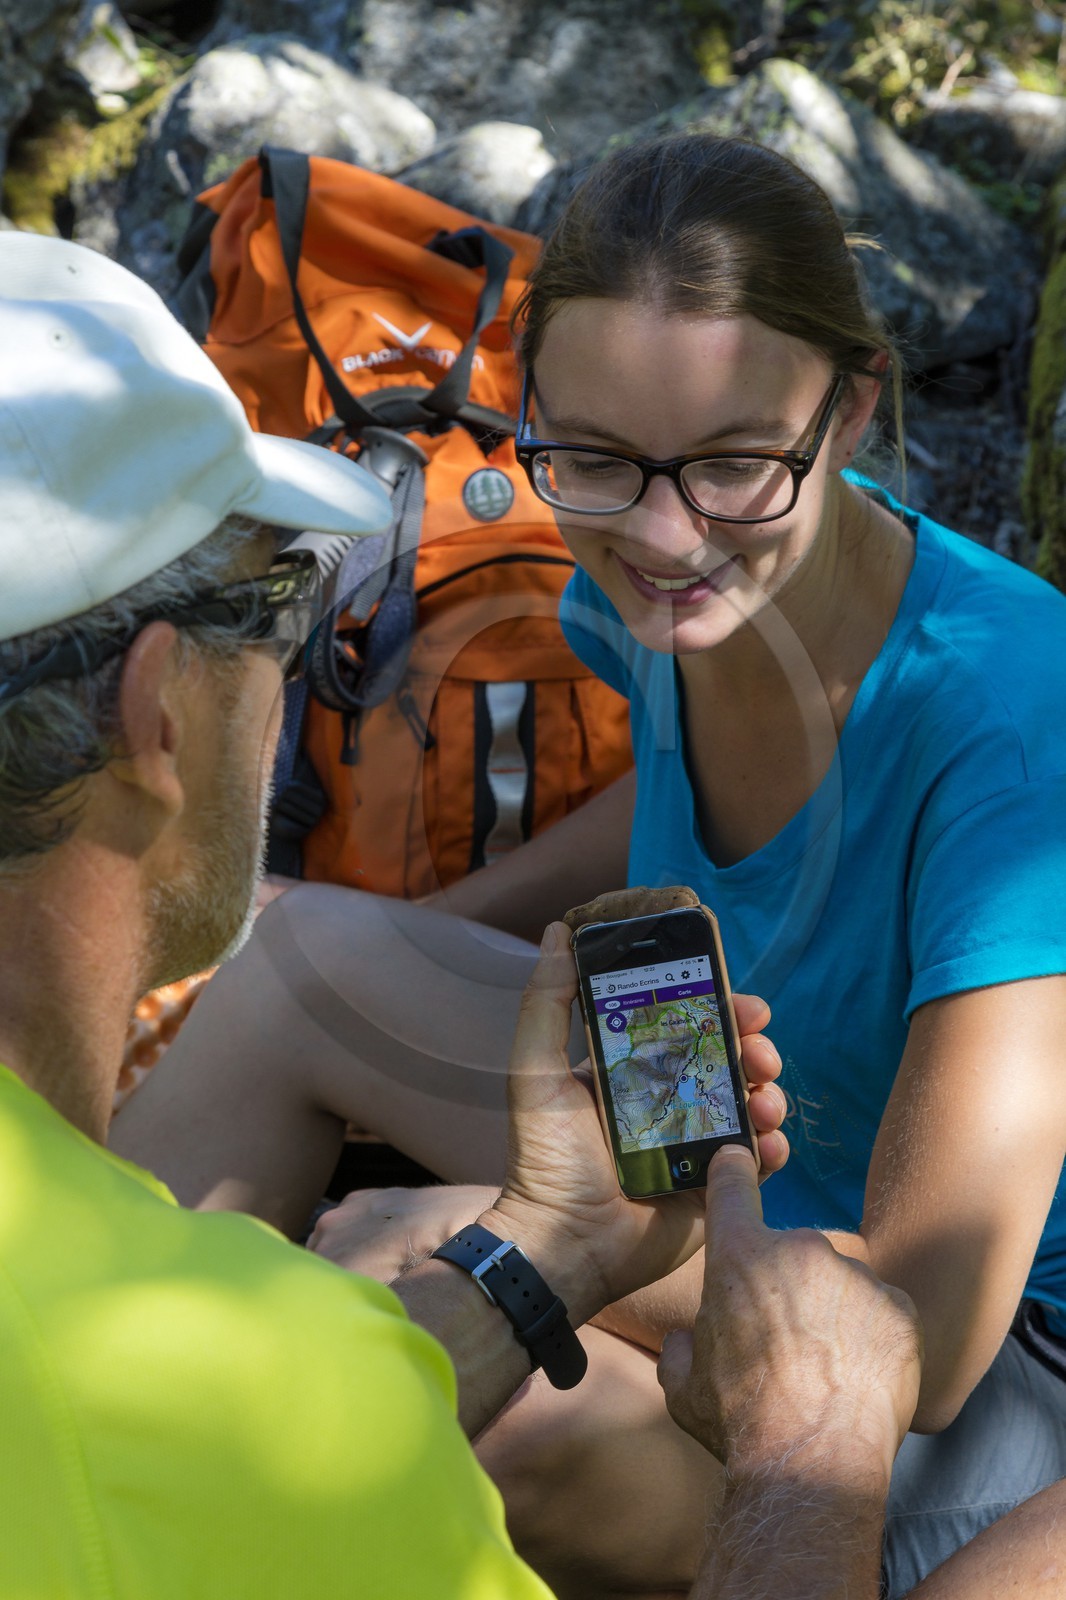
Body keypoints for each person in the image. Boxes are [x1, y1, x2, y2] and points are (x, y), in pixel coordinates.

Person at [111, 129, 1066, 1599]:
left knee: (440, 1364)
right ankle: (65, 1407)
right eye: (596, 459)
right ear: (529, 412)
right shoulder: (641, 578)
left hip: (980, 1374)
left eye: (739, 464)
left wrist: (512, 1250)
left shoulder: (1009, 721)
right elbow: (661, 813)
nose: (668, 533)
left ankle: (171, 1507)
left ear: (853, 405)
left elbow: (925, 1341)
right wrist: (402, 933)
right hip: (718, 1127)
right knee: (291, 962)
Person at [0, 229, 828, 1597]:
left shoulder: (254, 1403)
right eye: (283, 600)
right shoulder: (278, 1418)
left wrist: (549, 1252)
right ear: (157, 714)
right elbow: (252, 1456)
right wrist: (829, 1438)